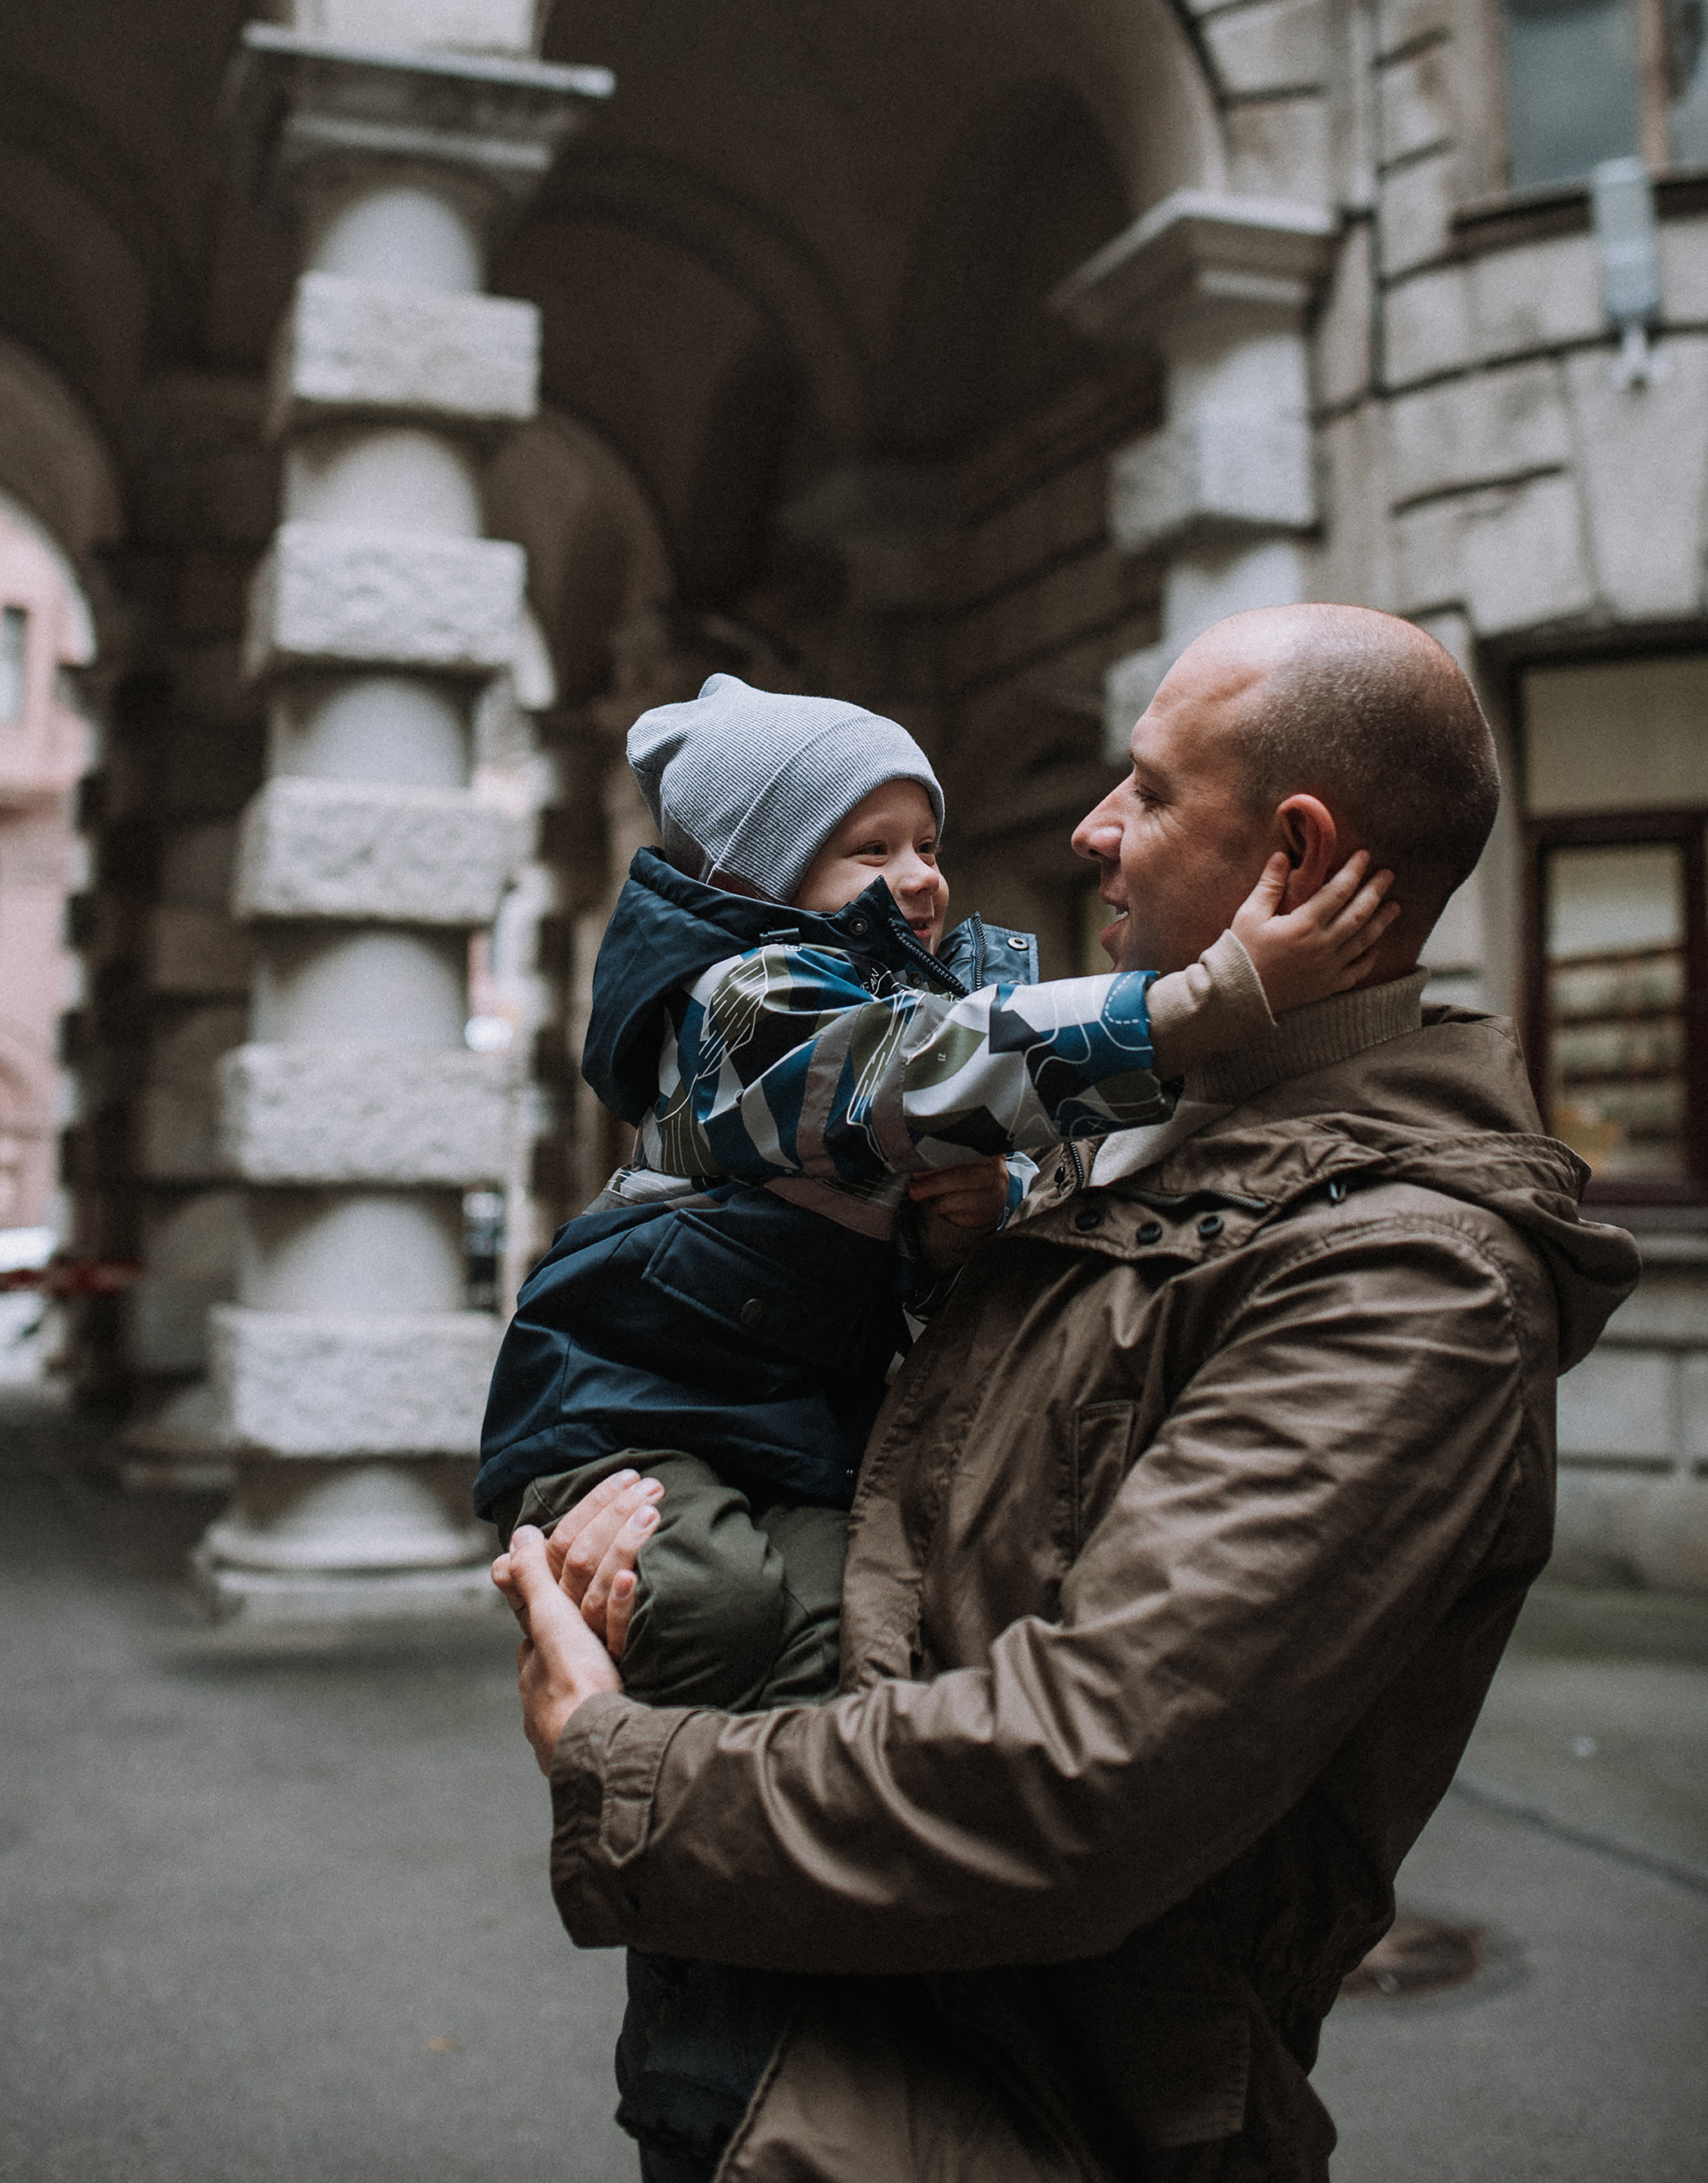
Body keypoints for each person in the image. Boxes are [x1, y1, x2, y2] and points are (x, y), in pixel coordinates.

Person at [498, 606, 1641, 2183]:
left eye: (1151, 792)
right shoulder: (1123, 1134)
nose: (1088, 831)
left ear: (1290, 856)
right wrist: (654, 1524)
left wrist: (616, 1751)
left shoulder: (1406, 1277)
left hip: (1003, 2108)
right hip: (793, 2025)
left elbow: (1078, 1776)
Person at [477, 671, 1394, 1717]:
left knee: (855, 1627)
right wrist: (1202, 1002)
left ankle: (763, 1811)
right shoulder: (742, 1000)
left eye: (927, 845)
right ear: (756, 876)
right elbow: (910, 1074)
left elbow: (910, 1226)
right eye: (871, 850)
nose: (919, 877)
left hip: (790, 1424)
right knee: (705, 1609)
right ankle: (645, 1779)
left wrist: (956, 1230)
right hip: (621, 1409)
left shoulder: (903, 996)